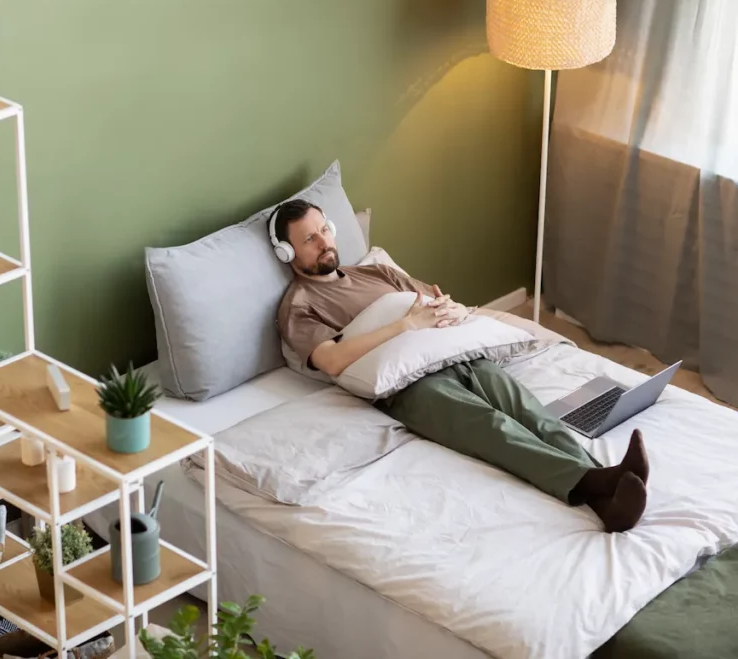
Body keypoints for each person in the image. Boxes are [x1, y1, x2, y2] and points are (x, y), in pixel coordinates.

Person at [270, 199, 649, 532]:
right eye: (309, 240)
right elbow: (332, 360)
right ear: (288, 253)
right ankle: (603, 483)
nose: (324, 243)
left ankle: (609, 494)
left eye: (324, 230)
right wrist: (404, 325)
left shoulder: (374, 272)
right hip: (408, 386)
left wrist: (453, 308)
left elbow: (429, 300)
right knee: (492, 427)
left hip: (453, 352)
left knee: (531, 413)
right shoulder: (300, 305)